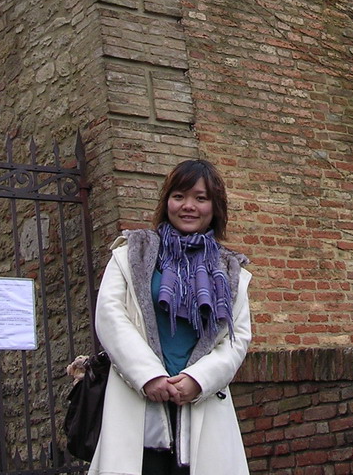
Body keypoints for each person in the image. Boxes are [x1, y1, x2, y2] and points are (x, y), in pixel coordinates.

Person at [89, 159, 253, 475]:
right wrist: (149, 376)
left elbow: (237, 339)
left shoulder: (231, 271)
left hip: (201, 402)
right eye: (179, 196)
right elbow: (110, 316)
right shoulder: (130, 252)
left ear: (215, 207)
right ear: (167, 202)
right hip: (137, 401)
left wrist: (198, 380)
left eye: (200, 198)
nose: (188, 206)